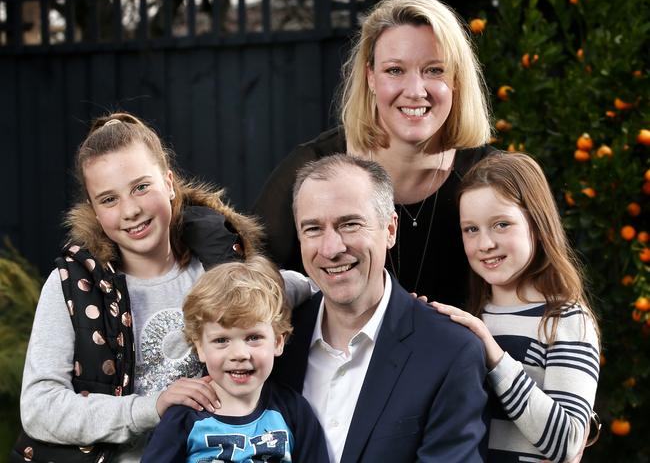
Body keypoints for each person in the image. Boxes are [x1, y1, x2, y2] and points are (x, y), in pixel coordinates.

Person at [17, 112, 264, 463]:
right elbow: (39, 408)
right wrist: (149, 408)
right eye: (109, 199)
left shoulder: (219, 269)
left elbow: (286, 293)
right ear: (94, 210)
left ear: (169, 182)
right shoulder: (72, 287)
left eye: (141, 187)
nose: (130, 210)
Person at [254, 0, 493, 306]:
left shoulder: (487, 179)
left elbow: (546, 294)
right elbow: (247, 282)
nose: (415, 91)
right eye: (395, 70)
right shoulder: (313, 169)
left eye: (434, 70)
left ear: (457, 79)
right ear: (370, 77)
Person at [273, 154, 488, 463]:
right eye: (313, 229)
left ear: (390, 229)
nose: (331, 249)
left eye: (349, 224)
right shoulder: (272, 343)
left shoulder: (450, 353)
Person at [432, 152, 600, 462]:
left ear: (536, 223)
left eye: (501, 225)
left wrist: (493, 356)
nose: (485, 244)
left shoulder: (565, 320)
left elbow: (567, 443)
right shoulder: (472, 317)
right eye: (471, 229)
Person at [141, 256, 329, 462]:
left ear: (277, 342)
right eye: (221, 340)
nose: (239, 354)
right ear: (200, 348)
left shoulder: (294, 411)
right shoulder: (184, 417)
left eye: (253, 337)